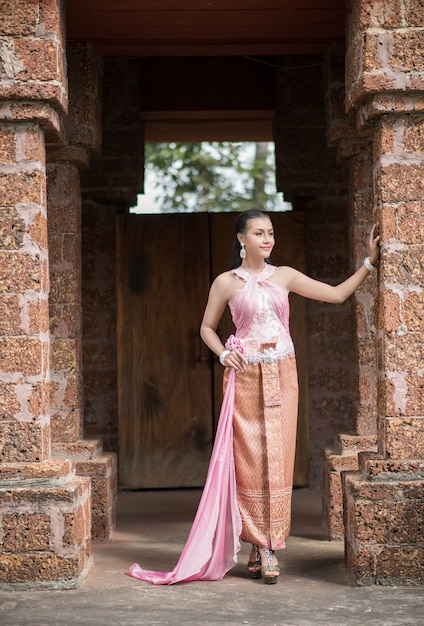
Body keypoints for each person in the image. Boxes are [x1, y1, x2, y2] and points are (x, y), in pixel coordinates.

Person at [127, 209, 380, 586]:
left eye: (271, 233)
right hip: (244, 376)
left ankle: (267, 544)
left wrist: (369, 263)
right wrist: (223, 353)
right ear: (241, 239)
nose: (267, 240)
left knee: (276, 460)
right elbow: (206, 328)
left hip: (282, 373)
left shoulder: (285, 276)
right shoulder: (226, 283)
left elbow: (338, 295)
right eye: (259, 233)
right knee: (248, 460)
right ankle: (260, 544)